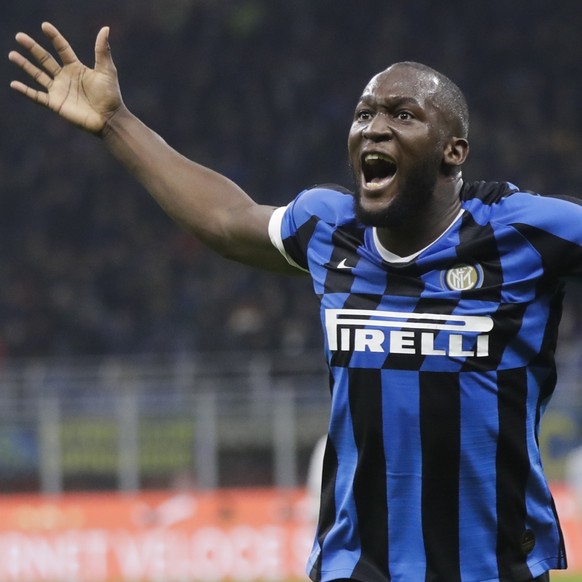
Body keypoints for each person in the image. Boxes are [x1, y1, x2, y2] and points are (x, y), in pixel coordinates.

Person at [7, 21, 575, 582]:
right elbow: (226, 221)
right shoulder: (330, 227)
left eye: (402, 115)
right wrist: (115, 123)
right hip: (355, 569)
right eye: (364, 114)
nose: (374, 128)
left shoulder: (523, 231)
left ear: (455, 151)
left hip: (495, 569)